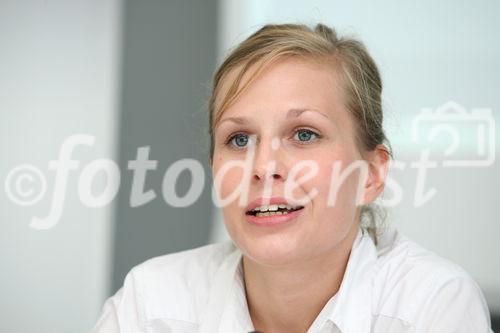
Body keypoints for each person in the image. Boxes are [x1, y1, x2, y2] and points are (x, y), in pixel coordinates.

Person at [91, 23, 493, 333]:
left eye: (304, 134)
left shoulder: (432, 305)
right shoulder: (150, 304)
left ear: (371, 174)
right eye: (239, 138)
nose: (263, 166)